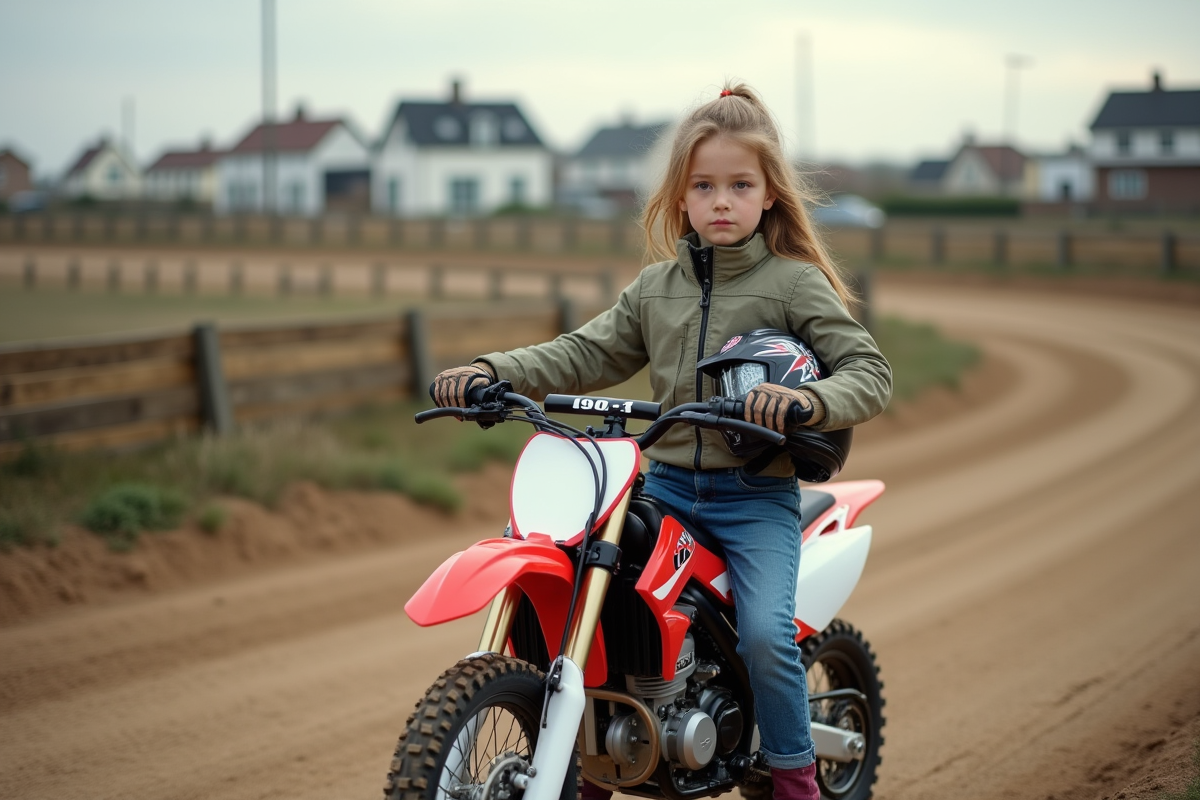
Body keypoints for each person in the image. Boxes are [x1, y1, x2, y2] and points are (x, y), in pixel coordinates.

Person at [430, 82, 892, 800]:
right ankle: (594, 765)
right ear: (680, 195)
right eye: (704, 185)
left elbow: (870, 372)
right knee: (591, 594)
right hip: (666, 489)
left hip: (755, 500)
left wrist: (806, 401)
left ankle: (796, 783)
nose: (721, 201)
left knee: (766, 637)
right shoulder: (655, 289)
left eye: (740, 185)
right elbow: (583, 352)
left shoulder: (794, 285)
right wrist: (492, 371)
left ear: (770, 193)